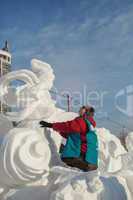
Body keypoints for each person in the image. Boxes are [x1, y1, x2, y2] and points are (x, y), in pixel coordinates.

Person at [40, 106, 98, 171]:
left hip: (82, 156)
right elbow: (72, 134)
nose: (80, 109)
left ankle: (85, 166)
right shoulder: (90, 123)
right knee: (63, 150)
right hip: (91, 157)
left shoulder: (82, 121)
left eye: (83, 108)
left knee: (66, 157)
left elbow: (68, 126)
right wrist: (58, 129)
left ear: (87, 112)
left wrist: (52, 125)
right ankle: (79, 169)